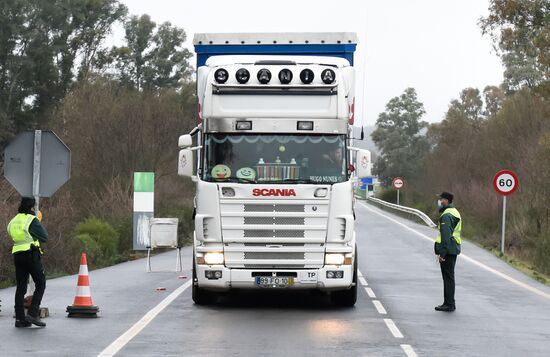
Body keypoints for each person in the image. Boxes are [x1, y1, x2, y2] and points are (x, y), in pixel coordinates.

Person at [7, 197, 48, 327]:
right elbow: (44, 237)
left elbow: (11, 233)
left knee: (21, 287)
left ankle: (20, 319)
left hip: (17, 254)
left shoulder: (13, 221)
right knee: (41, 283)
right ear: (31, 208)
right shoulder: (32, 220)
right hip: (31, 254)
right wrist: (38, 223)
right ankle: (32, 313)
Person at [434, 192, 462, 312]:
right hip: (453, 248)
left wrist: (442, 254)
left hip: (448, 250)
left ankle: (449, 304)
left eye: (441, 199)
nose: (439, 202)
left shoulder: (447, 215)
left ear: (446, 200)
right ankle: (450, 302)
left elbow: (446, 237)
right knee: (449, 277)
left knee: (448, 278)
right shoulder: (454, 211)